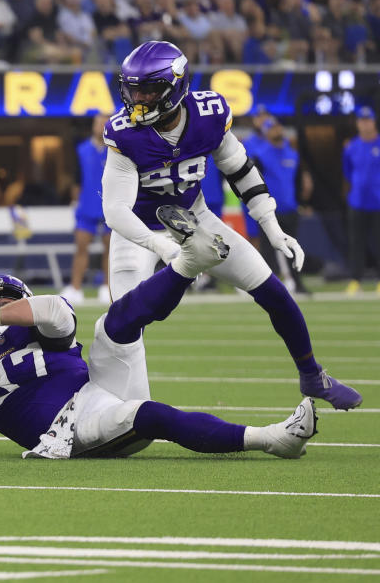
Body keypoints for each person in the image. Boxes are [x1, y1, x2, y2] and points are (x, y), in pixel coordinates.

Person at [0, 206, 317, 460]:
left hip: (97, 387)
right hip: (67, 430)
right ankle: (270, 438)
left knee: (115, 323)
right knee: (148, 414)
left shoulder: (37, 326)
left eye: (7, 301)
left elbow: (57, 310)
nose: (0, 308)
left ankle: (188, 263)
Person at [101, 40, 361, 411]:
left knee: (273, 291)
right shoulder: (123, 133)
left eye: (149, 89)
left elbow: (240, 169)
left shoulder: (208, 113)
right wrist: (162, 249)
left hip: (197, 218)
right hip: (139, 231)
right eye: (133, 88)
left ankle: (312, 375)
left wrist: (271, 227)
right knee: (125, 323)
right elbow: (116, 211)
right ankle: (125, 407)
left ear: (176, 86)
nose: (139, 98)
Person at [252, 117, 310, 295]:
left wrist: (302, 203)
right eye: (271, 129)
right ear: (266, 133)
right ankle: (268, 288)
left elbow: (300, 181)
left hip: (290, 208)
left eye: (277, 127)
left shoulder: (292, 154)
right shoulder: (260, 155)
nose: (276, 131)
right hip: (269, 211)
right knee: (268, 251)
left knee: (293, 248)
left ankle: (298, 284)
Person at [62, 112, 111, 305]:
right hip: (87, 205)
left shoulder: (117, 149)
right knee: (81, 247)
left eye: (105, 123)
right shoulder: (82, 149)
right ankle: (76, 288)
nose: (101, 126)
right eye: (98, 122)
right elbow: (76, 178)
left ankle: (107, 287)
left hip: (110, 205)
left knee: (110, 248)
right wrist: (76, 202)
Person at [342, 106, 380, 296]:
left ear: (373, 122)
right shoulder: (351, 147)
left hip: (378, 202)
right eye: (361, 121)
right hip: (357, 202)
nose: (365, 124)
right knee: (356, 243)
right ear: (358, 123)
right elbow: (348, 173)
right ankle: (356, 280)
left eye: (368, 120)